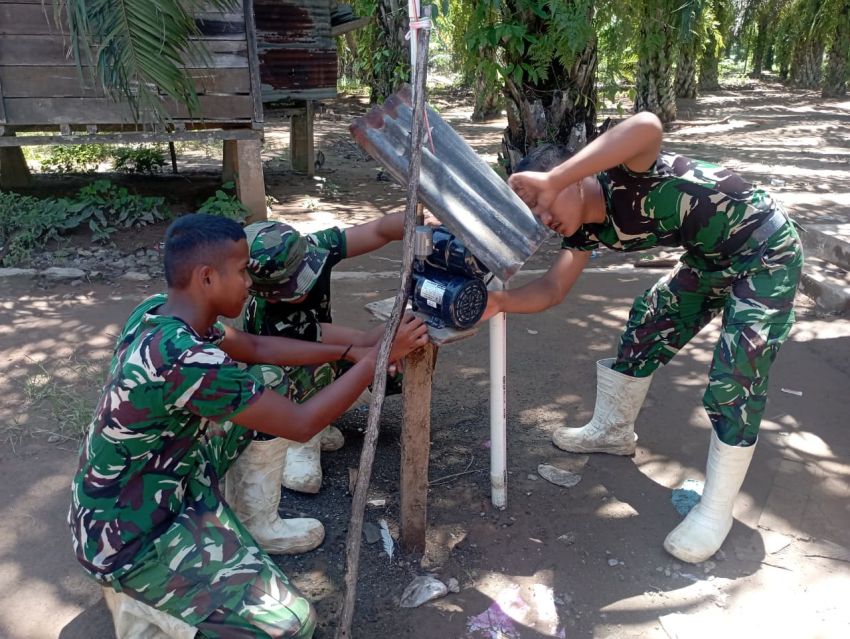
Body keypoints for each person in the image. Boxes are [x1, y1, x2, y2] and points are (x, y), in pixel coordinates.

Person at [69, 214, 428, 638]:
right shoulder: (187, 361)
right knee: (292, 625)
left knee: (275, 380)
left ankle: (241, 529)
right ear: (206, 278)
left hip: (160, 485)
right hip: (131, 538)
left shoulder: (160, 314)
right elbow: (300, 424)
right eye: (241, 272)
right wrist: (375, 358)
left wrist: (350, 350)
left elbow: (256, 347)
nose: (249, 283)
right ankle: (145, 596)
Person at [485, 112, 803, 564]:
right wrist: (498, 303)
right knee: (648, 324)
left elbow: (649, 125)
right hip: (709, 259)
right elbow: (553, 289)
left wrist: (553, 177)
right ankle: (613, 431)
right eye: (534, 212)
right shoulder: (585, 228)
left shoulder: (625, 175)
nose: (543, 218)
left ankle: (715, 511)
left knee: (736, 374)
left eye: (545, 203)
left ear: (575, 181)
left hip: (767, 253)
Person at [239, 214, 412, 497]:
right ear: (267, 294)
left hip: (326, 355)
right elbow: (361, 342)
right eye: (290, 288)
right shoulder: (275, 320)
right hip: (286, 388)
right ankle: (296, 442)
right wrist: (402, 324)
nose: (303, 288)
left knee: (396, 372)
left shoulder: (312, 247)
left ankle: (321, 420)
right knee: (338, 367)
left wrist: (418, 223)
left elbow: (379, 230)